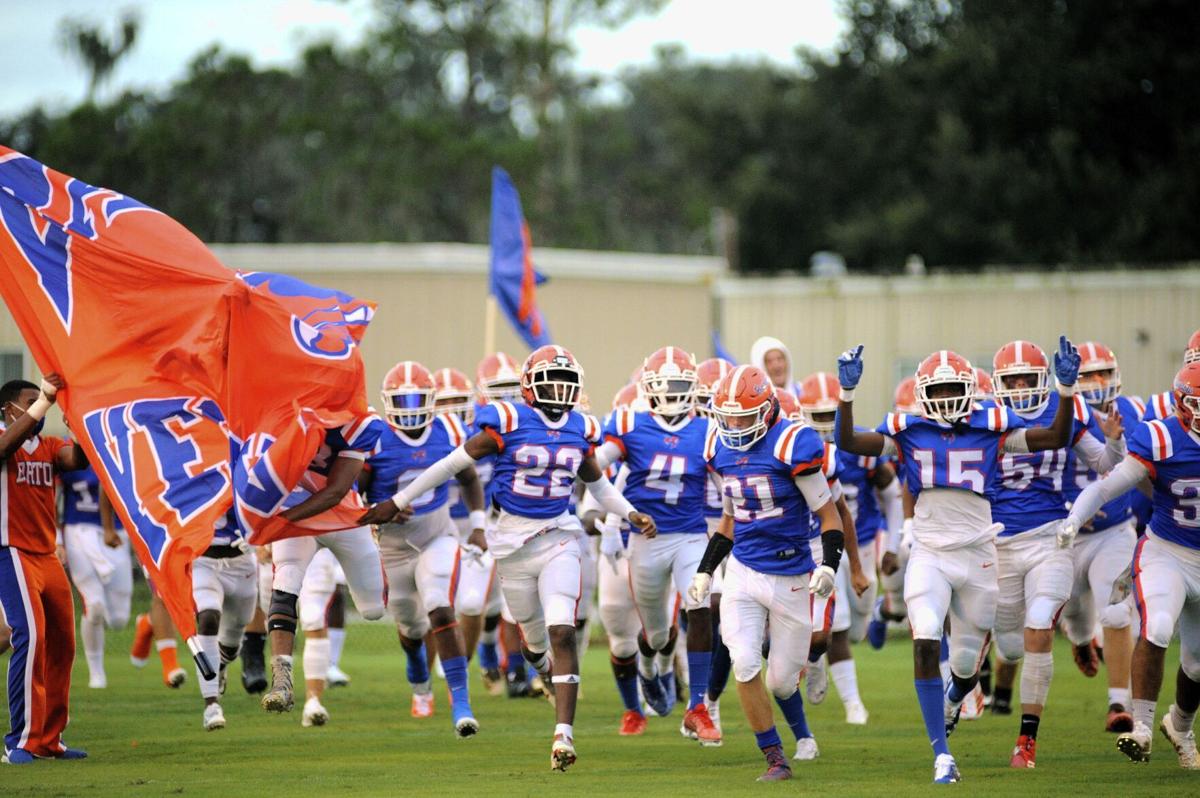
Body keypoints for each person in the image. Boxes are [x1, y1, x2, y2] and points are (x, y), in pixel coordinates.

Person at [361, 345, 656, 772]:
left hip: (560, 535)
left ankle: (563, 737)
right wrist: (399, 499)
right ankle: (538, 668)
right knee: (534, 643)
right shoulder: (508, 420)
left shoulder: (581, 427)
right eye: (550, 381)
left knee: (562, 630)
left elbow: (598, 486)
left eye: (565, 382)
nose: (559, 390)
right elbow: (450, 465)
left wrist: (628, 512)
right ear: (530, 387)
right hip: (512, 543)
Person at [833, 339, 1080, 783]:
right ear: (925, 393)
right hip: (929, 551)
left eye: (953, 389)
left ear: (968, 389)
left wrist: (1064, 389)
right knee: (925, 634)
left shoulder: (992, 425)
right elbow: (848, 440)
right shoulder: (907, 430)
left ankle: (954, 697)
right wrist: (846, 396)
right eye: (940, 390)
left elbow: (1055, 437)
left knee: (966, 666)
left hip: (979, 552)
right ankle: (942, 756)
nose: (947, 399)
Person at [689, 365, 846, 782]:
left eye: (744, 416)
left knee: (780, 682)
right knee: (743, 662)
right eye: (729, 416)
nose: (735, 425)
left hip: (792, 575)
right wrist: (707, 570)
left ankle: (798, 715)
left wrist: (829, 564)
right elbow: (729, 519)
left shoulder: (792, 444)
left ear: (768, 409)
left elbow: (829, 514)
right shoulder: (719, 449)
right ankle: (776, 758)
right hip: (744, 569)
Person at [986, 339, 1127, 767]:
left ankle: (1026, 740)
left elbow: (1106, 465)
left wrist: (1115, 442)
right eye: (1013, 379)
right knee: (1010, 645)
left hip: (1052, 536)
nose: (1022, 385)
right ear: (998, 383)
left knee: (1041, 621)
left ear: (1044, 378)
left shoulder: (1069, 410)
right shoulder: (986, 418)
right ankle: (968, 684)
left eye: (1029, 377)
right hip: (1002, 543)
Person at [1059, 360, 1200, 769]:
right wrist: (1073, 519)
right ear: (1182, 405)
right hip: (1167, 551)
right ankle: (1140, 727)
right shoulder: (1162, 438)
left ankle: (1181, 727)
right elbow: (1107, 486)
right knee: (1156, 626)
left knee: (1195, 665)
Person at [593, 347, 720, 745]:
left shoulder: (708, 429)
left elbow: (726, 485)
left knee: (700, 604)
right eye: (664, 386)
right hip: (646, 542)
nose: (672, 394)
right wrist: (623, 515)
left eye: (681, 385)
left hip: (689, 536)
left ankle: (697, 707)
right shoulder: (629, 422)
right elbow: (594, 470)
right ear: (646, 389)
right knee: (657, 635)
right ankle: (651, 670)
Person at [363, 360, 485, 738]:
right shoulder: (377, 437)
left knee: (440, 604)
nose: (411, 406)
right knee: (412, 628)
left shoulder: (449, 428)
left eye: (418, 398)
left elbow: (469, 477)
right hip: (393, 548)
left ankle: (461, 703)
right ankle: (419, 675)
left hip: (438, 535)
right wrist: (376, 514)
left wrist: (478, 524)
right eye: (403, 399)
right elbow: (355, 492)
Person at [263, 414, 389, 714]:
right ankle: (281, 679)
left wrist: (279, 522)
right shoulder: (278, 419)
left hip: (344, 518)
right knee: (285, 584)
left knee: (373, 609)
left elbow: (335, 491)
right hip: (297, 516)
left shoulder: (358, 424)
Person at [798, 371, 903, 726]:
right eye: (820, 416)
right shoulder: (797, 450)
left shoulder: (859, 449)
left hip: (864, 540)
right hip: (818, 546)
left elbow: (892, 495)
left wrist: (893, 543)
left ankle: (876, 613)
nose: (827, 425)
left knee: (856, 626)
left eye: (832, 416)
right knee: (837, 627)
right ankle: (853, 704)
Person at [0, 375, 89, 764]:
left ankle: (50, 739)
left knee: (63, 644)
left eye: (42, 399)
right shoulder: (6, 436)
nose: (40, 405)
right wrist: (44, 403)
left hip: (46, 554)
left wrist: (83, 431)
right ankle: (18, 740)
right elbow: (5, 446)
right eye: (31, 400)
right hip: (11, 551)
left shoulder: (47, 445)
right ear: (8, 408)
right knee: (31, 637)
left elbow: (75, 460)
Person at [1058, 342, 1144, 732]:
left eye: (1103, 374)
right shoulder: (1060, 415)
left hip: (1114, 530)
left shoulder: (1135, 413)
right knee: (1074, 612)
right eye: (1088, 375)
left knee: (1114, 611)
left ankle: (1117, 704)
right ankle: (1080, 640)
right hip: (1065, 537)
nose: (1097, 383)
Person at [60, 465, 132, 689]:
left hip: (117, 532)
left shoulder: (118, 451)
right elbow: (51, 497)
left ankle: (143, 625)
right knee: (95, 604)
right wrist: (57, 540)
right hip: (78, 531)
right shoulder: (67, 453)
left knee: (119, 619)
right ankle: (96, 673)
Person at [191, 510, 258, 731]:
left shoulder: (240, 475)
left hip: (242, 562)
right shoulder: (187, 477)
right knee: (208, 617)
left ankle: (220, 664)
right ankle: (211, 705)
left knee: (231, 643)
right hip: (202, 561)